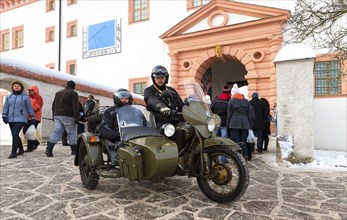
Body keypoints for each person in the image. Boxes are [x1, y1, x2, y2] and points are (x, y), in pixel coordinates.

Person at [144, 65, 185, 149]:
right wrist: (161, 107)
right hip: (159, 121)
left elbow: (181, 104)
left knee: (187, 130)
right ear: (153, 78)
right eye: (157, 78)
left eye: (162, 77)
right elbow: (150, 99)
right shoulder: (149, 90)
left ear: (166, 78)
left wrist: (191, 109)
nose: (160, 80)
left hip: (175, 119)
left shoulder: (172, 90)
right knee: (172, 134)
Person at [2, 81, 36, 159]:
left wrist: (32, 117)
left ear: (21, 87)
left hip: (21, 118)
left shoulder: (25, 97)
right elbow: (6, 107)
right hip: (10, 119)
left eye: (18, 86)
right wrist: (4, 116)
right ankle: (21, 149)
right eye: (15, 86)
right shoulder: (9, 97)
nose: (16, 87)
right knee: (15, 135)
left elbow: (29, 108)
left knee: (15, 134)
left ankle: (13, 152)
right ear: (13, 88)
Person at [46, 80, 79, 157]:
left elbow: (53, 105)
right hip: (68, 115)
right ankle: (74, 151)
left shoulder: (58, 93)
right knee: (72, 132)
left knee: (57, 131)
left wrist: (53, 115)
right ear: (74, 86)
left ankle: (49, 149)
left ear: (66, 85)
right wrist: (76, 117)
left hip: (57, 115)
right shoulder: (73, 93)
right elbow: (75, 106)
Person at [226, 84, 253, 160]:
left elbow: (229, 115)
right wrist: (250, 126)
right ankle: (245, 157)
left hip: (234, 123)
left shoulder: (231, 101)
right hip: (245, 124)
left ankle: (237, 159)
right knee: (243, 142)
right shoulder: (246, 101)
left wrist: (227, 126)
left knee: (236, 142)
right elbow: (249, 115)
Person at [22, 85, 44, 152]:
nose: (30, 92)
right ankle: (36, 142)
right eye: (29, 91)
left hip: (35, 118)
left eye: (32, 91)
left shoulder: (39, 98)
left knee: (30, 132)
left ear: (35, 91)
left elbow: (38, 106)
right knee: (25, 130)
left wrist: (29, 109)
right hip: (27, 117)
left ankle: (30, 148)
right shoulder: (28, 97)